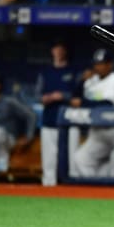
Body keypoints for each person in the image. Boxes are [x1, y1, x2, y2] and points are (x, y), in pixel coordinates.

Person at [70, 49, 114, 177]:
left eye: (101, 63)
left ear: (109, 64)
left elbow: (108, 104)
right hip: (97, 132)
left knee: (112, 173)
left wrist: (83, 103)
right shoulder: (91, 80)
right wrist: (82, 81)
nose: (98, 67)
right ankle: (96, 193)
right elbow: (74, 98)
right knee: (80, 159)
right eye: (96, 64)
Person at [38, 39, 79, 186]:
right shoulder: (46, 72)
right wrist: (47, 98)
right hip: (49, 118)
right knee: (49, 158)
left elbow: (77, 96)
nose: (59, 52)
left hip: (69, 120)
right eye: (56, 49)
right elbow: (38, 95)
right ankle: (49, 185)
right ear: (52, 51)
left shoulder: (72, 71)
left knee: (72, 157)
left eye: (61, 49)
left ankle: (73, 186)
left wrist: (62, 96)